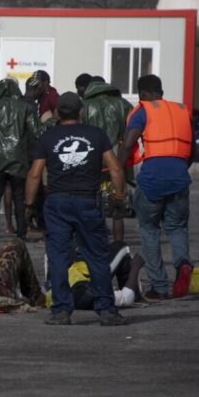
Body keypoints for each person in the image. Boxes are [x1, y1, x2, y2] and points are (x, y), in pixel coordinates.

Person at [26, 92, 127, 326]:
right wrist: (119, 196)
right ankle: (107, 310)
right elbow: (115, 168)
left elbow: (34, 174)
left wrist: (29, 205)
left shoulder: (48, 137)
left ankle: (61, 310)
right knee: (97, 257)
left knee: (59, 257)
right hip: (87, 201)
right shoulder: (96, 135)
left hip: (58, 202)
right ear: (81, 111)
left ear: (58, 114)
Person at [118, 74, 194, 299]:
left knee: (150, 230)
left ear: (141, 93)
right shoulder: (181, 110)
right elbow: (189, 149)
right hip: (180, 179)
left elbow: (130, 141)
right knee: (177, 228)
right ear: (161, 90)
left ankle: (159, 286)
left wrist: (118, 167)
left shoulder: (143, 110)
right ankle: (183, 265)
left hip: (152, 181)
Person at [0, 78, 42, 239]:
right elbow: (38, 131)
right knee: (20, 197)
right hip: (18, 160)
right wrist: (54, 120)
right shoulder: (25, 108)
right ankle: (22, 232)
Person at [82, 77, 134, 242]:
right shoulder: (123, 104)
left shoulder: (84, 106)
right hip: (118, 160)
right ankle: (119, 244)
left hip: (92, 161)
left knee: (93, 203)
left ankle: (96, 241)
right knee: (118, 206)